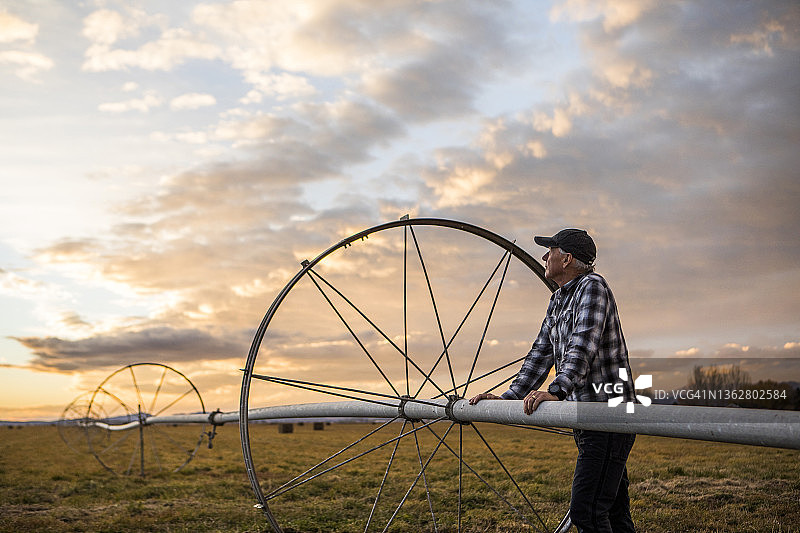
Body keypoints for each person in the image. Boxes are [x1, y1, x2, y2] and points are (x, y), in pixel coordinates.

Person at [469, 228, 637, 533]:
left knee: (586, 511)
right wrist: (509, 398)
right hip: (588, 418)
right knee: (611, 509)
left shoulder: (593, 287)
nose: (545, 257)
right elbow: (541, 352)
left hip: (609, 416)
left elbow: (582, 345)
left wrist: (557, 390)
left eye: (551, 251)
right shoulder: (559, 298)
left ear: (568, 258)